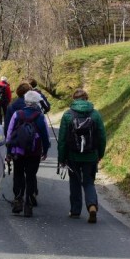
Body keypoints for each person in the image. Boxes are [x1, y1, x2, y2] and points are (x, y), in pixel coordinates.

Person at [57, 88, 107, 224]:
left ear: (74, 99)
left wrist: (61, 158)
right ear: (86, 98)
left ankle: (75, 211)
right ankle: (92, 206)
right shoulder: (95, 115)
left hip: (73, 156)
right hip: (91, 156)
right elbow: (102, 137)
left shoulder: (68, 115)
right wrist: (100, 154)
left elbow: (62, 139)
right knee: (89, 182)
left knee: (74, 182)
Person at [6, 90, 50, 218]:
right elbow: (45, 136)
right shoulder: (40, 116)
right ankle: (28, 205)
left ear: (25, 101)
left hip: (18, 151)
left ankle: (18, 200)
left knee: (18, 175)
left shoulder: (17, 114)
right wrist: (45, 150)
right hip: (34, 151)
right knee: (31, 176)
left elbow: (9, 134)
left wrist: (9, 151)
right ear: (37, 102)